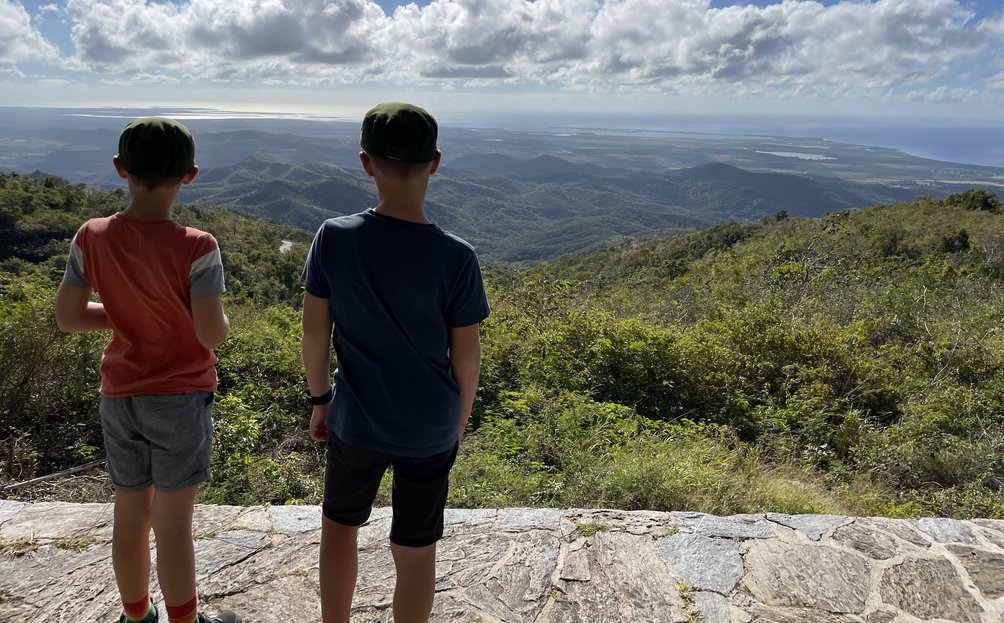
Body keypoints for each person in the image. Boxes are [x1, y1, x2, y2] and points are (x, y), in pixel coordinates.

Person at [301, 102, 489, 623]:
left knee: (340, 526)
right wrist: (459, 419)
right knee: (416, 546)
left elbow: (315, 331)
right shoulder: (457, 257)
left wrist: (320, 401)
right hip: (429, 425)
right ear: (435, 162)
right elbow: (466, 355)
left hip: (356, 420)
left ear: (366, 163)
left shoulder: (334, 238)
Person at [55, 117, 241, 623]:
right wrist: (215, 315)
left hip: (119, 395)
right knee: (173, 523)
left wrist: (124, 313)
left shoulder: (90, 237)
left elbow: (70, 318)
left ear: (120, 169)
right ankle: (185, 619)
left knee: (130, 514)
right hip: (180, 398)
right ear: (191, 175)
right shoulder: (198, 246)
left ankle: (138, 616)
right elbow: (211, 334)